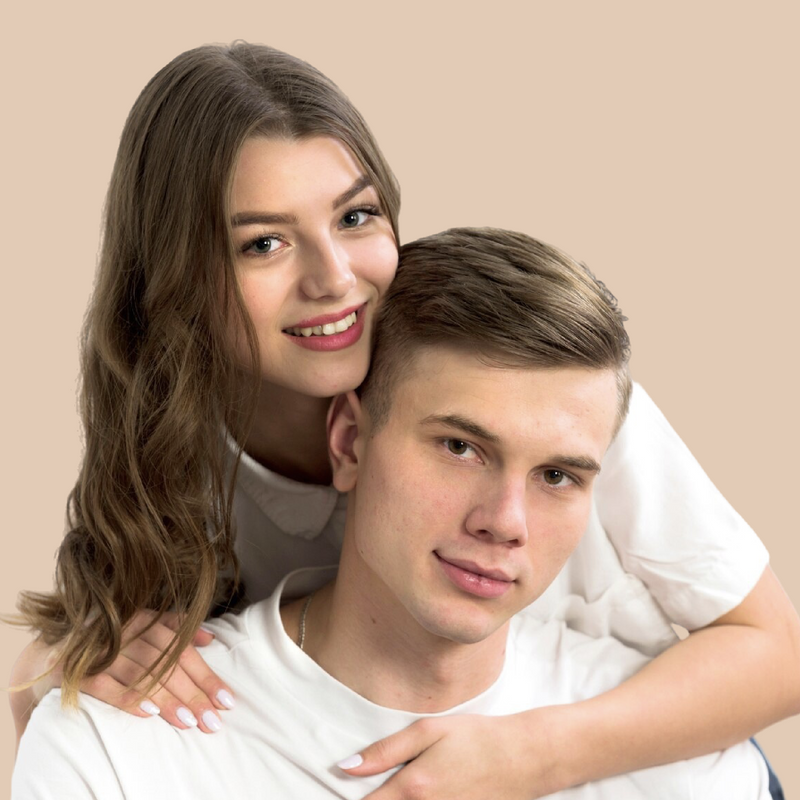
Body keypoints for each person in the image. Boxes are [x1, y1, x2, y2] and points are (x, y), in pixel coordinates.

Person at [9, 42, 800, 799]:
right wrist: (65, 675)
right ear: (176, 273)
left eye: (355, 218)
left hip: (653, 752)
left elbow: (778, 656)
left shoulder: (520, 371)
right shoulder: (176, 453)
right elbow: (73, 694)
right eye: (265, 243)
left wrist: (531, 755)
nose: (334, 279)